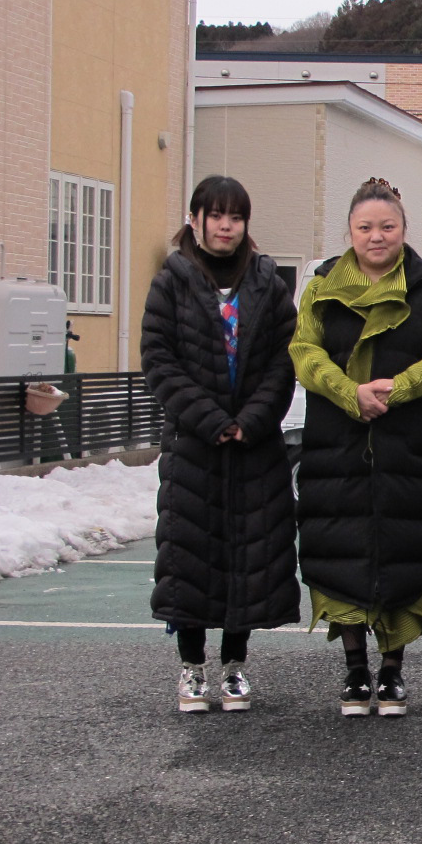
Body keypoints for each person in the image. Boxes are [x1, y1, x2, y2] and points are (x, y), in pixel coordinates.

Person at [290, 178, 422, 717]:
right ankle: (353, 671)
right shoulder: (320, 289)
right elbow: (303, 352)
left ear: (404, 230)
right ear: (349, 232)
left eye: (387, 227)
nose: (376, 236)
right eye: (365, 227)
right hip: (338, 449)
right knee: (341, 549)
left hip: (408, 449)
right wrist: (350, 394)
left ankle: (392, 671)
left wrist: (401, 386)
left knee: (403, 552)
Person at [141, 175, 300, 713]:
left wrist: (250, 420)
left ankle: (235, 667)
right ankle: (192, 668)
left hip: (254, 446)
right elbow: (159, 361)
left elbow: (285, 360)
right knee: (191, 556)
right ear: (196, 220)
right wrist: (211, 419)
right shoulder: (173, 281)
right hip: (194, 446)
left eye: (235, 216)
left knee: (249, 555)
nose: (226, 225)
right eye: (215, 215)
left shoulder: (267, 282)